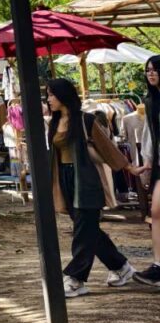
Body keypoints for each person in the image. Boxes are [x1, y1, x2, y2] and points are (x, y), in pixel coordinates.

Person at [46, 78, 136, 297]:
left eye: (51, 95)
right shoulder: (53, 122)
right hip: (65, 178)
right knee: (88, 229)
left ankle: (76, 278)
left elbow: (106, 147)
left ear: (63, 95)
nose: (48, 99)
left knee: (83, 230)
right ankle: (120, 267)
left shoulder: (85, 120)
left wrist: (129, 168)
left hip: (85, 179)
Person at [131, 57, 160, 287]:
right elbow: (150, 134)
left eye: (155, 70)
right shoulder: (150, 102)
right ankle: (158, 266)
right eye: (148, 70)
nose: (151, 73)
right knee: (156, 212)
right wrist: (148, 163)